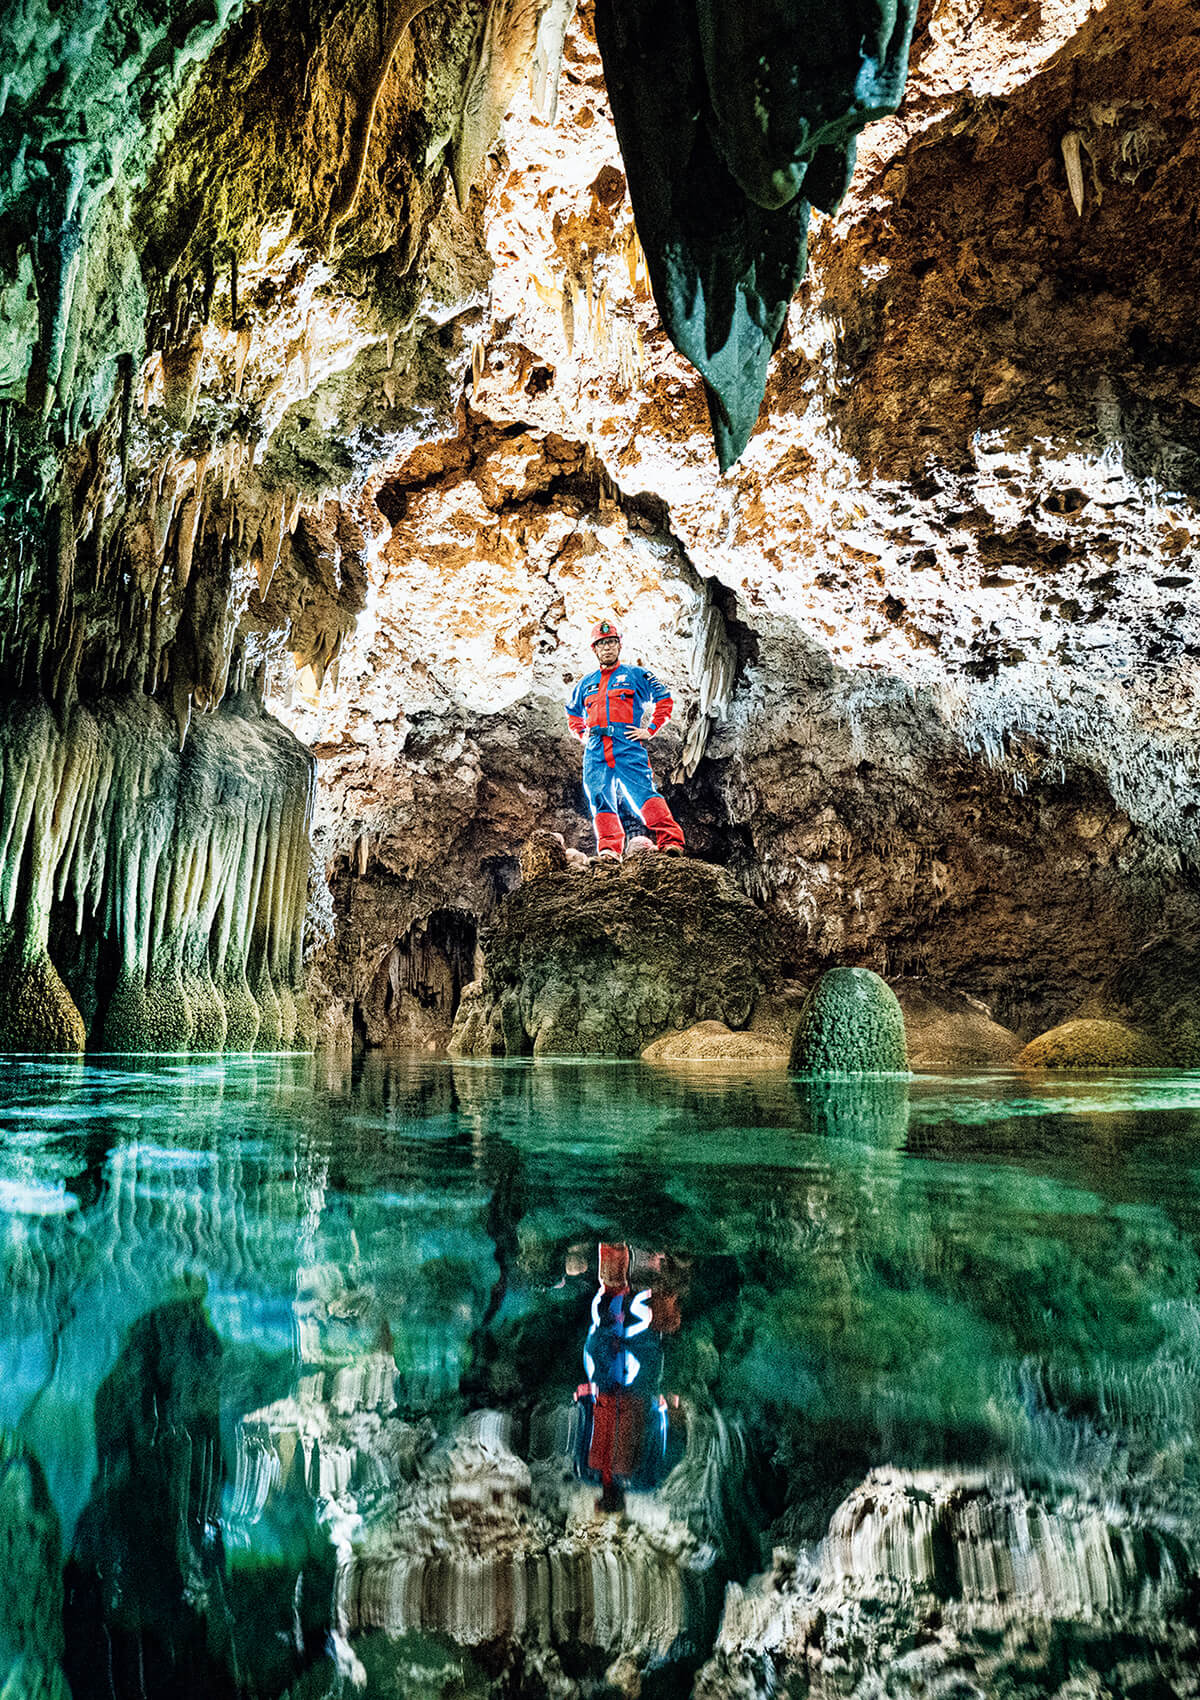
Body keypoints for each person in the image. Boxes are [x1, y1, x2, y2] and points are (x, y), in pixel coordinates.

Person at [565, 620, 686, 860]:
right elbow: (572, 714)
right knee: (599, 797)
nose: (607, 647)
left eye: (611, 642)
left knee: (643, 793)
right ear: (595, 649)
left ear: (619, 645)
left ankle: (671, 842)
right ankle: (610, 850)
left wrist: (650, 729)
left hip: (626, 743)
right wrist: (582, 734)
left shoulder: (636, 675)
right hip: (596, 748)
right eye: (601, 643)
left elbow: (664, 699)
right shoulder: (585, 684)